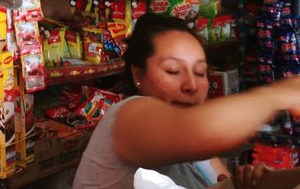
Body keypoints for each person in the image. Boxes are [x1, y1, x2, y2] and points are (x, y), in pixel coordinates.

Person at [72, 13, 300, 189]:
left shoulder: (199, 150)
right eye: (172, 70)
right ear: (138, 75)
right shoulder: (125, 119)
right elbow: (199, 130)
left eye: (200, 72)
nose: (191, 85)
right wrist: (281, 94)